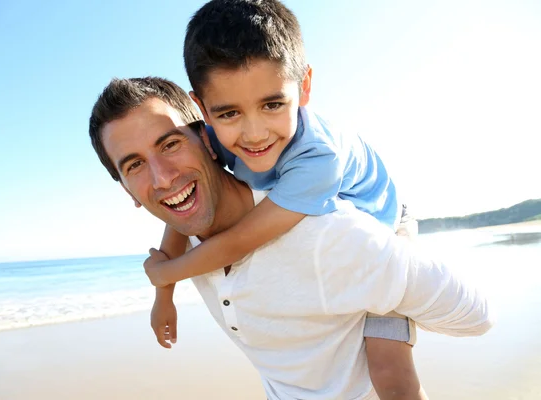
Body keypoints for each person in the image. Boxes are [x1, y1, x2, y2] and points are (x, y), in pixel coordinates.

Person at [88, 77, 494, 400]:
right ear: (126, 190)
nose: (162, 177)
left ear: (208, 141)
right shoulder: (188, 223)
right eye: (135, 165)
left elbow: (477, 316)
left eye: (171, 144)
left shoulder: (327, 233)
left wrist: (386, 294)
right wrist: (164, 293)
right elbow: (178, 223)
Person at [145, 0, 424, 397]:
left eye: (273, 104)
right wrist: (163, 296)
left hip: (388, 223)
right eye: (229, 114)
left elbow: (243, 239)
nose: (254, 133)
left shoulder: (318, 159)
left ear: (304, 86)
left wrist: (168, 273)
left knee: (390, 372)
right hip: (333, 229)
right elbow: (182, 206)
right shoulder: (215, 139)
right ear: (203, 109)